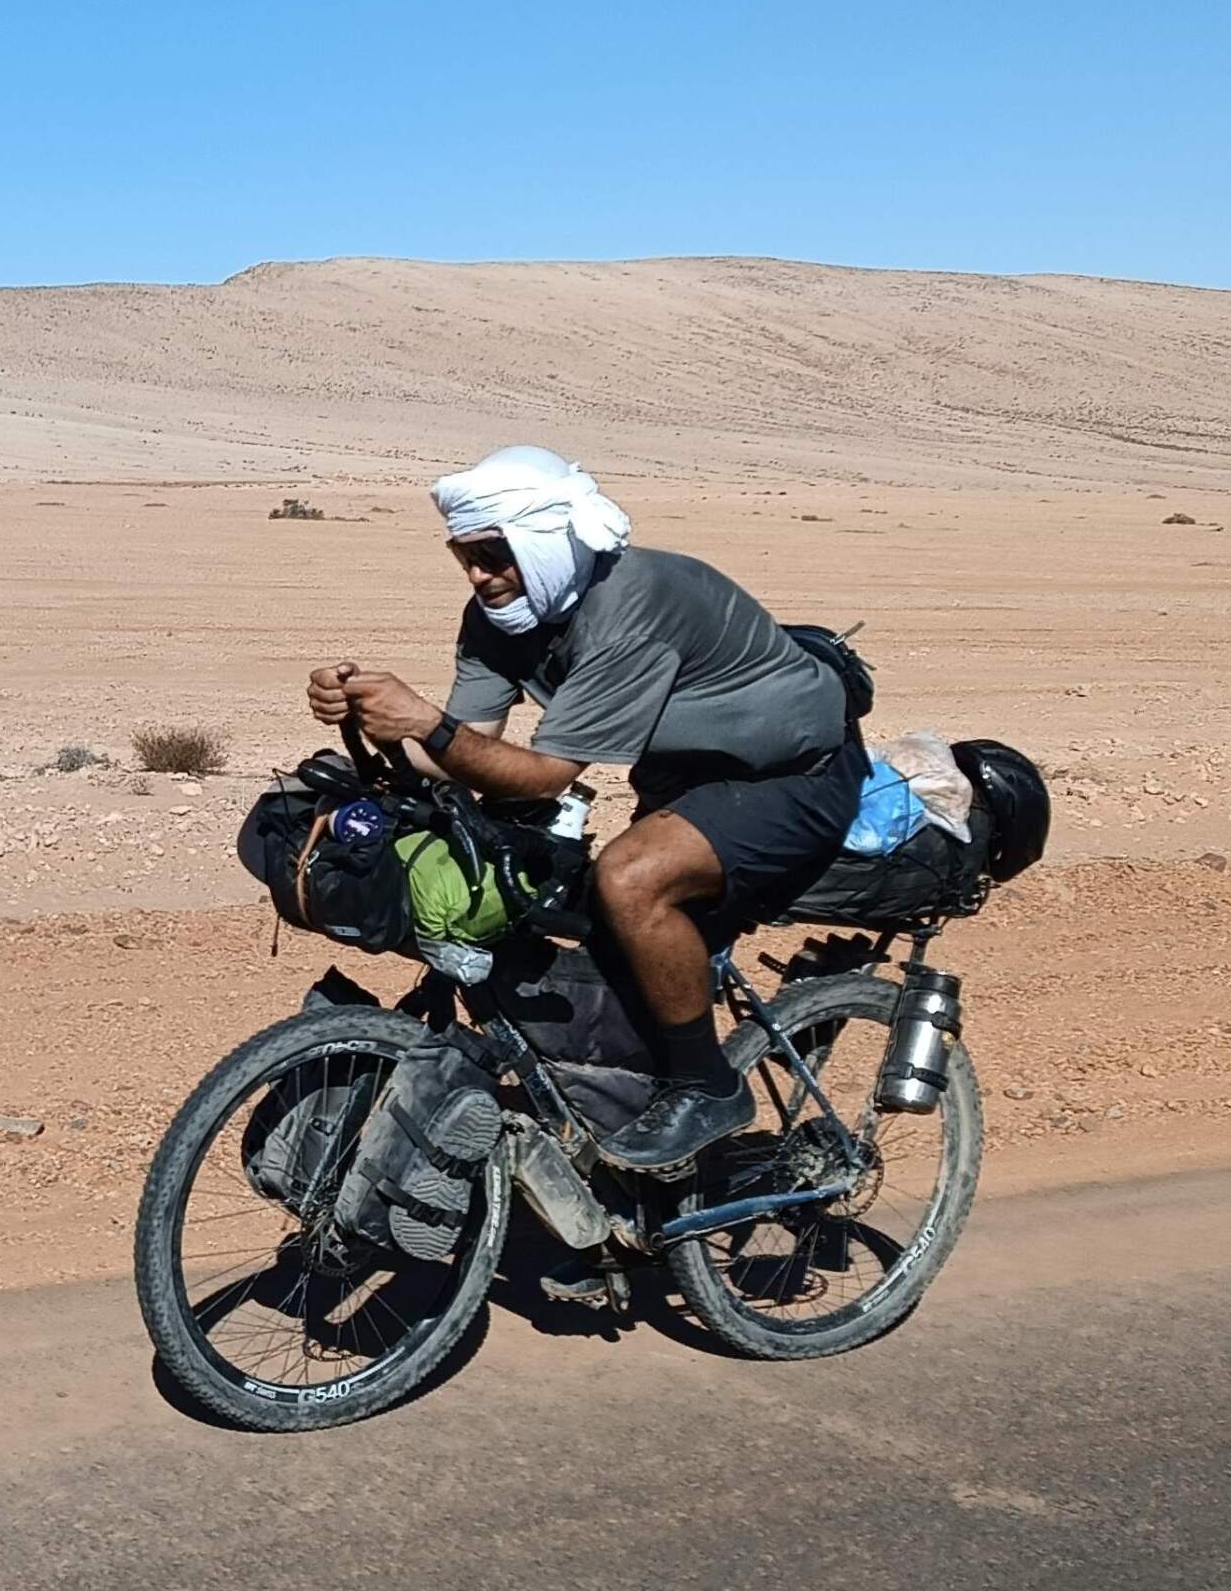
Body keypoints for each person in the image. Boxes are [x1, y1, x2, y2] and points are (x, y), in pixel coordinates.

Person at [307, 445, 862, 1176]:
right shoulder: (498, 619)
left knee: (630, 882)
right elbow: (467, 746)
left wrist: (425, 724)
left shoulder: (632, 605)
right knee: (573, 924)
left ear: (544, 543)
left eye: (493, 555)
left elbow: (541, 776)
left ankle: (709, 1087)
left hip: (795, 776)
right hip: (686, 779)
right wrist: (369, 717)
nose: (478, 575)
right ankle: (637, 1145)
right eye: (464, 557)